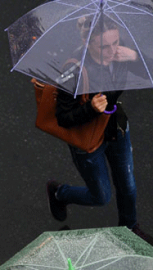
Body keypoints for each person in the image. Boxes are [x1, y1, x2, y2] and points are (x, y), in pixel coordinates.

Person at [46, 15, 153, 243]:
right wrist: (91, 109)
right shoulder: (73, 72)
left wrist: (134, 56)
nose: (113, 50)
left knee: (128, 186)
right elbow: (63, 118)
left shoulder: (121, 53)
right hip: (89, 141)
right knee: (100, 196)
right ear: (87, 44)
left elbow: (149, 73)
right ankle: (58, 193)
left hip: (116, 129)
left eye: (116, 42)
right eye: (105, 46)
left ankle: (129, 228)